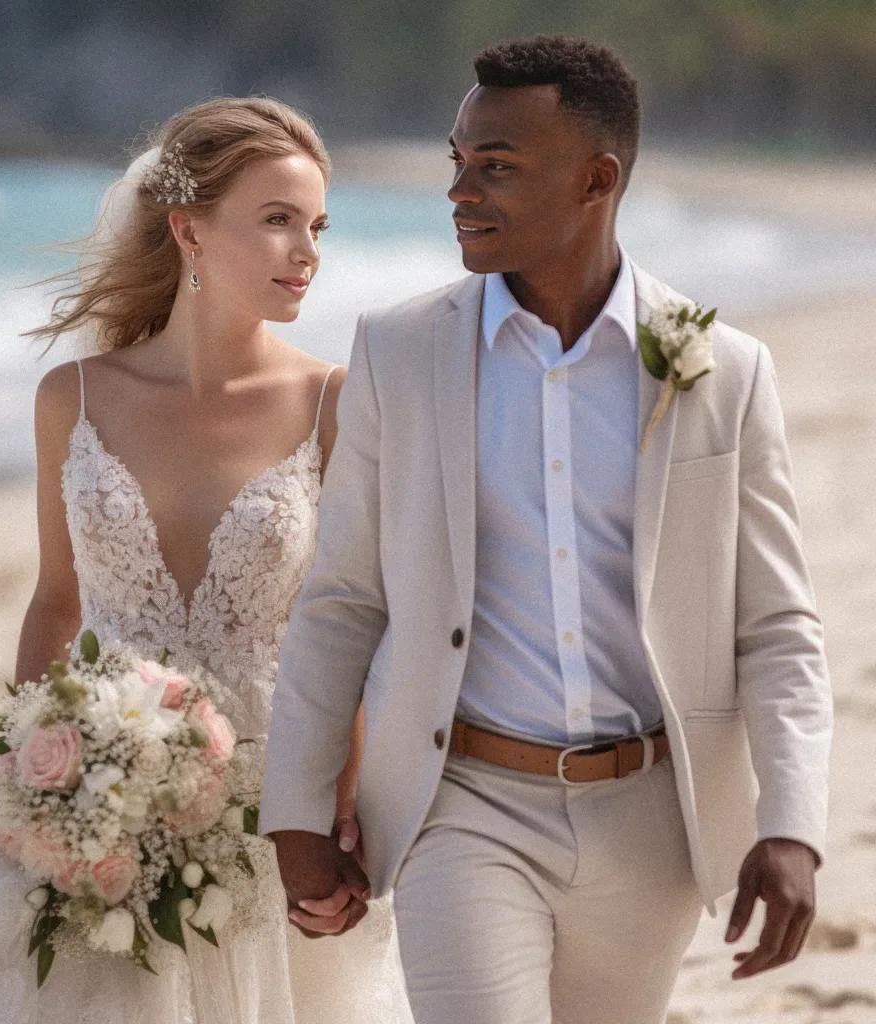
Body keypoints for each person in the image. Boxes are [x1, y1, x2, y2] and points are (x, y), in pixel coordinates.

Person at [261, 35, 833, 1024]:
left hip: (653, 821)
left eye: (497, 165)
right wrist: (297, 809)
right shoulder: (398, 352)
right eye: (456, 160)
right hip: (462, 802)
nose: (458, 189)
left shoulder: (719, 370)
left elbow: (776, 625)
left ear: (595, 179)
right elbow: (344, 595)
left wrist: (790, 826)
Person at [0, 97, 413, 1024]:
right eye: (277, 219)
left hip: (268, 801)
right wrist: (41, 783)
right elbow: (56, 604)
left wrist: (337, 811)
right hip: (97, 789)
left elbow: (354, 630)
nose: (308, 250)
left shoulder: (332, 401)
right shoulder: (75, 397)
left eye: (317, 224)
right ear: (189, 230)